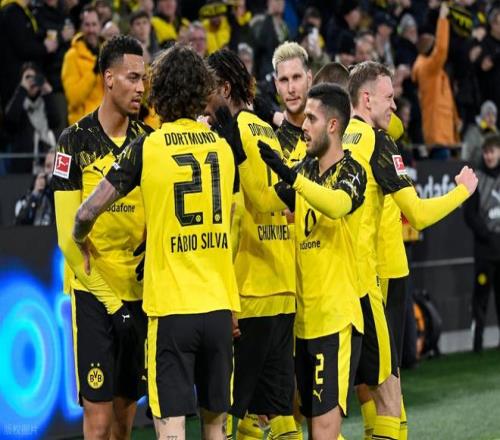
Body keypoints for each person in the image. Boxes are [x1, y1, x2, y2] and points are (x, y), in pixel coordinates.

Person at [72, 44, 240, 440]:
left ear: (159, 91)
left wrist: (80, 238)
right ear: (202, 90)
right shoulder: (223, 148)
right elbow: (233, 221)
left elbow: (86, 212)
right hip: (218, 306)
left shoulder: (146, 148)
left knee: (171, 429)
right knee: (216, 427)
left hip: (171, 310)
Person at [345, 60, 478, 440]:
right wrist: (461, 192)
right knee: (389, 393)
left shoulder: (337, 138)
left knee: (337, 400)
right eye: (389, 97)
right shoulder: (378, 141)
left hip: (337, 280)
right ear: (366, 98)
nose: (394, 105)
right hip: (375, 279)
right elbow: (417, 214)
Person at [52, 35, 150, 439]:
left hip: (139, 293)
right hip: (94, 294)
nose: (141, 88)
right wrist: (113, 305)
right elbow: (67, 238)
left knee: (124, 422)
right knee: (97, 421)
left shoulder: (148, 141)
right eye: (132, 78)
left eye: (144, 79)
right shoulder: (73, 141)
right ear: (109, 79)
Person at [257, 83, 366, 439]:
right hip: (303, 321)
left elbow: (337, 205)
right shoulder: (305, 169)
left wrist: (293, 178)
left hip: (335, 319)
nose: (303, 125)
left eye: (311, 119)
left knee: (323, 430)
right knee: (307, 424)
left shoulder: (353, 170)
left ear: (333, 125)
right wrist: (240, 154)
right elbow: (263, 202)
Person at [205, 48, 297, 439]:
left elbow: (237, 210)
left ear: (224, 89)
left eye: (208, 89)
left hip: (250, 288)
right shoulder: (266, 129)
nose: (203, 99)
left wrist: (224, 295)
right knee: (276, 412)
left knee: (229, 412)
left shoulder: (233, 134)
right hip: (282, 283)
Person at [464, 133, 500, 353]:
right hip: (484, 251)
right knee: (480, 298)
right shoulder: (476, 178)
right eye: (486, 152)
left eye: (492, 151)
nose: (489, 156)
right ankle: (477, 344)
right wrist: (486, 234)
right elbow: (469, 214)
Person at [4, 62, 58, 173]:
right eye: (27, 77)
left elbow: (55, 122)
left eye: (34, 77)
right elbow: (10, 121)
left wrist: (47, 93)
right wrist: (22, 89)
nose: (31, 81)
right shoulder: (18, 102)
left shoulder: (45, 101)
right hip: (24, 166)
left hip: (47, 162)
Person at [61, 5, 104, 125]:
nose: (91, 30)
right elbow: (74, 98)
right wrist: (94, 72)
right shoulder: (71, 56)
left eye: (94, 24)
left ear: (100, 26)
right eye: (87, 25)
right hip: (82, 127)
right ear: (81, 28)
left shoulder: (108, 53)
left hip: (107, 125)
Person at [273, 42, 311, 165]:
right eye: (284, 80)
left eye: (296, 77)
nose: (291, 89)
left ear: (309, 79)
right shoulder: (272, 146)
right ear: (276, 85)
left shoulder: (329, 134)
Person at [14, 149, 55, 225]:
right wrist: (35, 194)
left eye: (55, 166)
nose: (51, 171)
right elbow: (20, 222)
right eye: (48, 166)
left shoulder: (65, 191)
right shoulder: (33, 195)